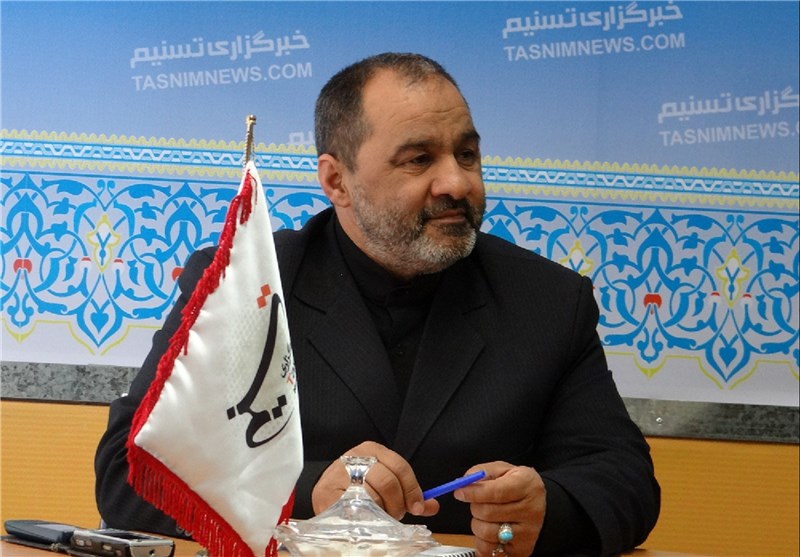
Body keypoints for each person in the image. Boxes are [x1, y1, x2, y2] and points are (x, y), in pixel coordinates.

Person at [95, 52, 659, 557]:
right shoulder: (246, 286)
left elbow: (623, 480)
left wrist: (546, 509)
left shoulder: (547, 301)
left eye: (466, 154)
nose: (457, 182)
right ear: (337, 181)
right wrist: (307, 493)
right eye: (419, 159)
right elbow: (128, 469)